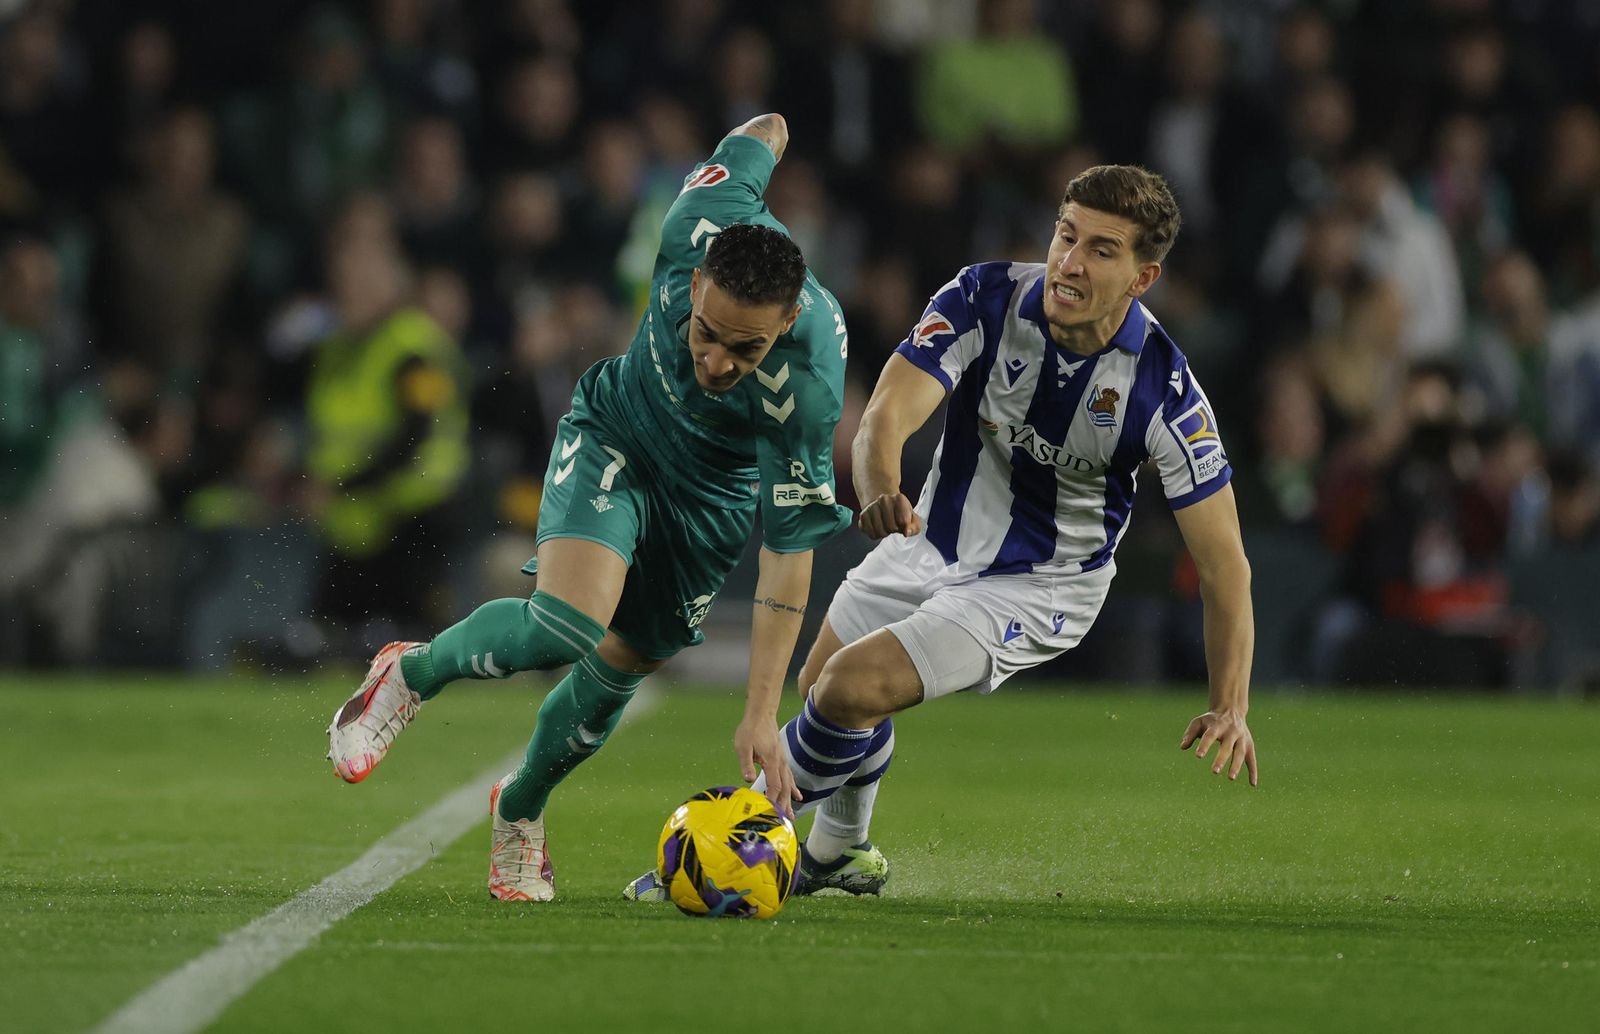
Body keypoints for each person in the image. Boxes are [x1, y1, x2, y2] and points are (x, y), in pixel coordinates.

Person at [628, 164, 1258, 902]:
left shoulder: (1165, 391)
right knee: (826, 689)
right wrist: (879, 489)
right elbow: (886, 416)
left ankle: (729, 854)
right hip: (928, 538)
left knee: (849, 687)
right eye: (1065, 235)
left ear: (1143, 276)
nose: (1071, 263)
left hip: (1040, 584)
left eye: (1102, 251)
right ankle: (840, 852)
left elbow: (1225, 569)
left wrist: (1231, 704)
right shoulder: (982, 298)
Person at [325, 114, 853, 902]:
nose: (716, 361)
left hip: (709, 504)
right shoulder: (692, 221)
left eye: (746, 350)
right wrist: (773, 138)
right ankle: (413, 672)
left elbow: (788, 551)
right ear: (696, 276)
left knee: (622, 666)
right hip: (621, 433)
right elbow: (766, 130)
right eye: (707, 333)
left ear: (786, 322)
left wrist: (759, 713)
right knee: (567, 621)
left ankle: (522, 807)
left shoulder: (811, 385)